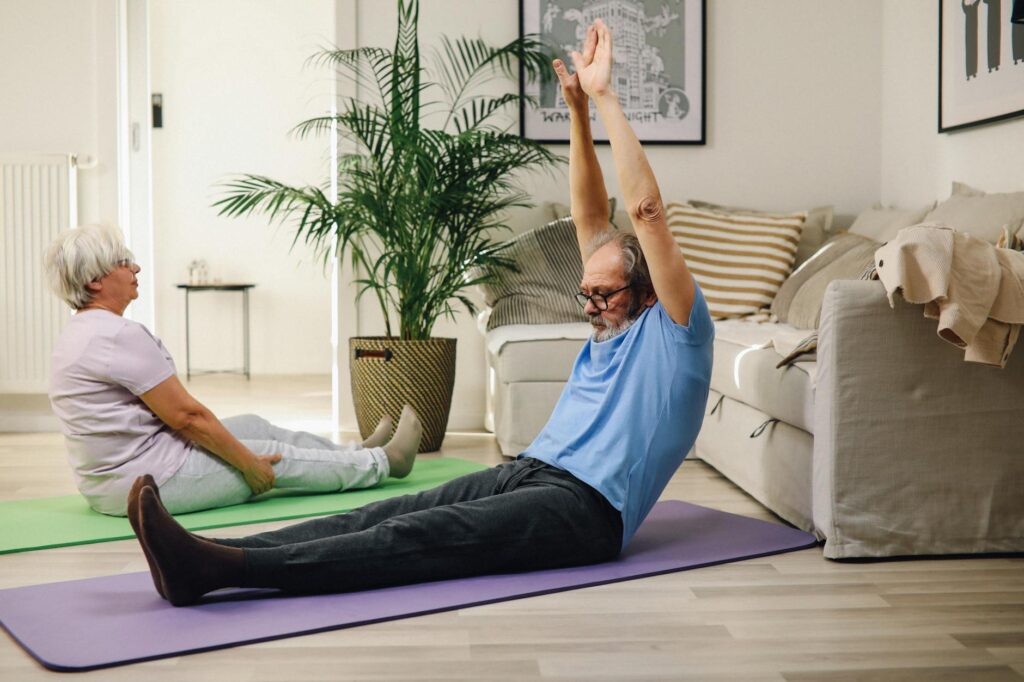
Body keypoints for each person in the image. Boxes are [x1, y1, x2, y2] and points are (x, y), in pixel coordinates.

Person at [128, 19, 713, 607]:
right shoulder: (611, 300)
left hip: (587, 507)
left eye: (603, 296)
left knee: (418, 536)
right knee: (392, 509)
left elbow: (645, 210)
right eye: (584, 293)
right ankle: (207, 551)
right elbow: (590, 216)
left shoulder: (678, 332)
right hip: (533, 469)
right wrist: (578, 113)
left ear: (647, 292)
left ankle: (220, 571)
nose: (590, 308)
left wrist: (607, 96)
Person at [44, 223, 423, 517]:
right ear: (94, 281)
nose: (136, 267)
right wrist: (249, 466)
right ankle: (384, 464)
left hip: (120, 478)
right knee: (272, 455)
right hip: (145, 483)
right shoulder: (115, 335)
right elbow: (188, 417)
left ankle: (354, 452)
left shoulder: (83, 331)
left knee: (255, 426)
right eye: (123, 262)